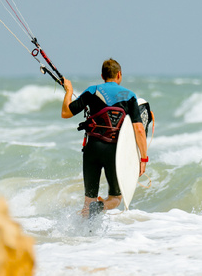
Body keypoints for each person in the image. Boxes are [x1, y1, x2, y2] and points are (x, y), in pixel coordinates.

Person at [61, 58, 148, 217]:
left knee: (88, 202)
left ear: (102, 75)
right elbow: (139, 130)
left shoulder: (92, 91)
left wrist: (69, 90)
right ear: (119, 74)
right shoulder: (129, 96)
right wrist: (143, 159)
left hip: (92, 149)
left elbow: (66, 113)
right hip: (114, 153)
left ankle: (82, 236)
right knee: (115, 199)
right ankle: (100, 207)